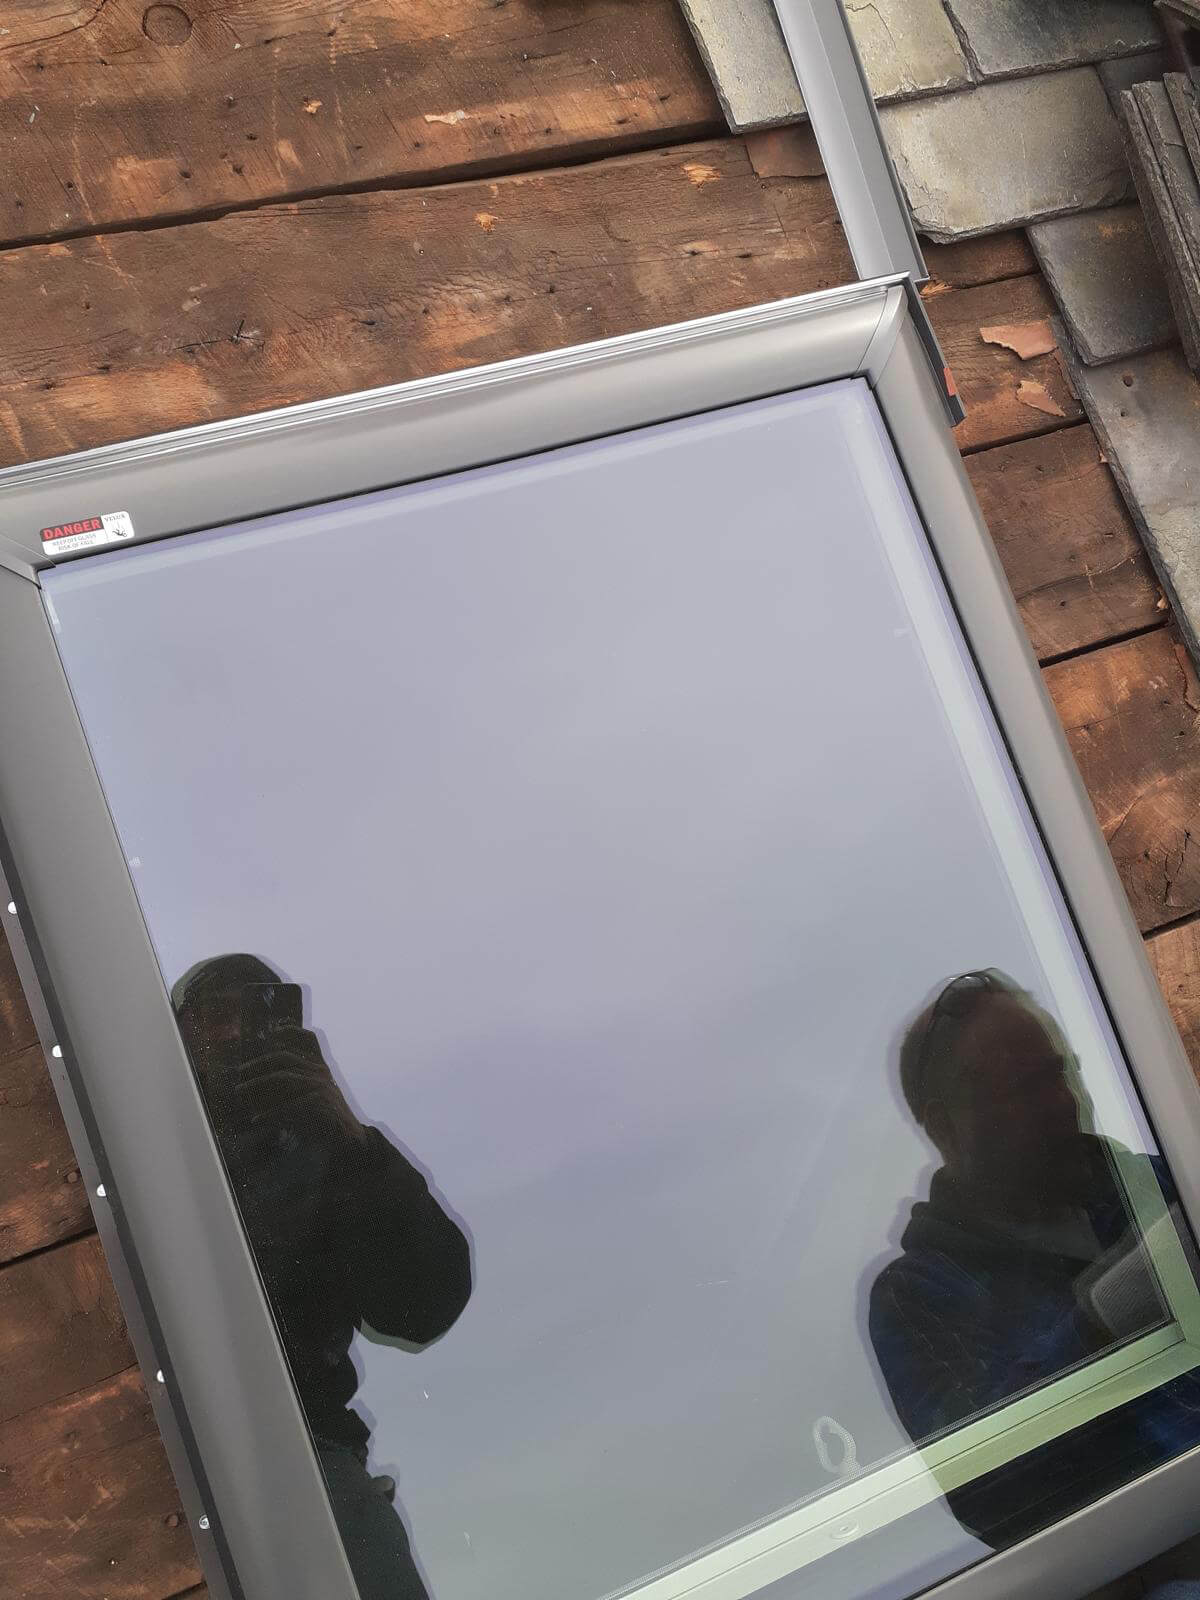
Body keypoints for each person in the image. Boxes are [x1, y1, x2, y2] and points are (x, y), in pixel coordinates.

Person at [869, 970, 1200, 1579]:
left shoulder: (1162, 1185)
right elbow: (996, 1496)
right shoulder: (920, 1296)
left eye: (1059, 1073)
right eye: (1017, 1091)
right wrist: (1113, 1308)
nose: (1060, 1102)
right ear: (945, 1125)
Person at [173, 954, 472, 1600]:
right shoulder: (154, 1143)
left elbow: (421, 1305)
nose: (235, 1038)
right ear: (180, 1041)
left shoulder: (320, 1146)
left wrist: (346, 1137)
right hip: (173, 1451)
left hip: (312, 1456)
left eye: (258, 1017)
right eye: (214, 1019)